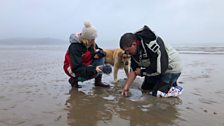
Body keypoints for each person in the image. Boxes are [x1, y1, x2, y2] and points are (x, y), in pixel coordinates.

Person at [119, 25, 183, 97]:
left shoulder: (151, 44)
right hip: (155, 66)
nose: (127, 53)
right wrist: (126, 88)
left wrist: (142, 72)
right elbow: (133, 71)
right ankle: (167, 84)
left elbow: (161, 68)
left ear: (134, 44)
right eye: (125, 51)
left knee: (156, 94)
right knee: (145, 89)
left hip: (171, 67)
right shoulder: (134, 51)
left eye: (127, 50)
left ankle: (173, 87)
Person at [63, 22, 110, 88]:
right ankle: (74, 80)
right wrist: (94, 69)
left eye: (94, 39)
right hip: (72, 68)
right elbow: (76, 68)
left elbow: (101, 51)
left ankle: (98, 82)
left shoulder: (91, 43)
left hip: (84, 63)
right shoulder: (74, 47)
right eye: (92, 39)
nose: (94, 41)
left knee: (101, 58)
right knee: (92, 73)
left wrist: (99, 54)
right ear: (86, 39)